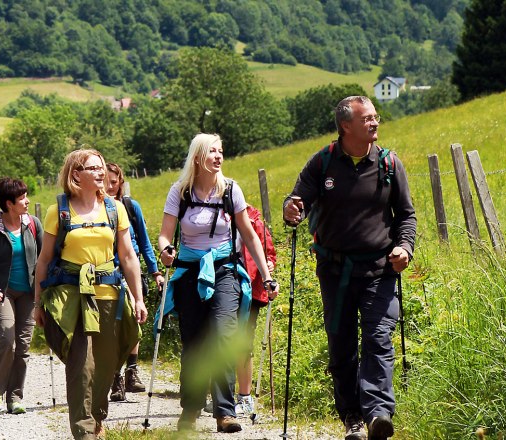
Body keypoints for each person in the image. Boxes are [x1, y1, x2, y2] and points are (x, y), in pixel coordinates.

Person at [283, 96, 416, 440]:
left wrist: (405, 247)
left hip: (380, 270)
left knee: (378, 338)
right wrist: (291, 210)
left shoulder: (389, 164)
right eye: (367, 118)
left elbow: (406, 215)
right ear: (346, 126)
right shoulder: (323, 162)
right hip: (335, 272)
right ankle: (352, 417)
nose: (375, 122)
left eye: (375, 117)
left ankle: (378, 414)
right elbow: (298, 201)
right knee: (341, 346)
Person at [156, 133, 279, 434]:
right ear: (198, 157)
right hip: (189, 272)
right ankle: (190, 410)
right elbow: (165, 234)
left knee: (224, 336)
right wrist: (166, 250)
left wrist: (266, 276)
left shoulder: (231, 189)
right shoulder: (180, 192)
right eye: (212, 151)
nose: (218, 156)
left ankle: (225, 412)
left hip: (224, 270)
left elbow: (249, 235)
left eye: (220, 151)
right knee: (194, 342)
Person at [34, 149, 148, 440]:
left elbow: (128, 256)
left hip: (109, 295)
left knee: (106, 366)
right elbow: (44, 260)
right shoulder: (58, 211)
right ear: (76, 174)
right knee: (81, 367)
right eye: (93, 168)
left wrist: (138, 298)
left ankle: (97, 417)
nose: (101, 173)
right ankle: (84, 432)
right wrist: (37, 304)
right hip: (72, 300)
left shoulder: (115, 209)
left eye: (101, 167)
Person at [0, 177, 43, 415]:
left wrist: (45, 289)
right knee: (7, 340)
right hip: (4, 293)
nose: (27, 201)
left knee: (23, 346)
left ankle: (15, 397)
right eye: (22, 198)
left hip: (29, 293)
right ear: (9, 203)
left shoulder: (33, 224)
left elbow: (44, 258)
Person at [104, 162, 165, 402]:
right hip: (107, 273)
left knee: (133, 319)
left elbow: (144, 241)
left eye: (113, 182)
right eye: (105, 182)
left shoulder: (131, 207)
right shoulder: (95, 210)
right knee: (112, 326)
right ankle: (116, 377)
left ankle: (131, 371)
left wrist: (155, 272)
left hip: (131, 272)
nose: (109, 186)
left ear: (120, 183)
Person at [234, 205, 276, 417]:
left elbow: (269, 253)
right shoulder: (216, 215)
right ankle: (219, 395)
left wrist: (269, 264)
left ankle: (245, 397)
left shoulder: (255, 221)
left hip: (251, 290)